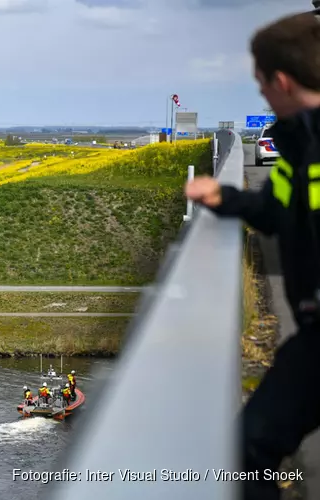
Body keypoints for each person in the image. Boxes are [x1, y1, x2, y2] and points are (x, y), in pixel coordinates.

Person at [184, 11, 320, 500]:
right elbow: (279, 211)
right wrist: (227, 199)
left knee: (245, 451)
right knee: (245, 450)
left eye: (260, 84)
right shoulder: (301, 148)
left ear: (281, 82)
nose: (260, 95)